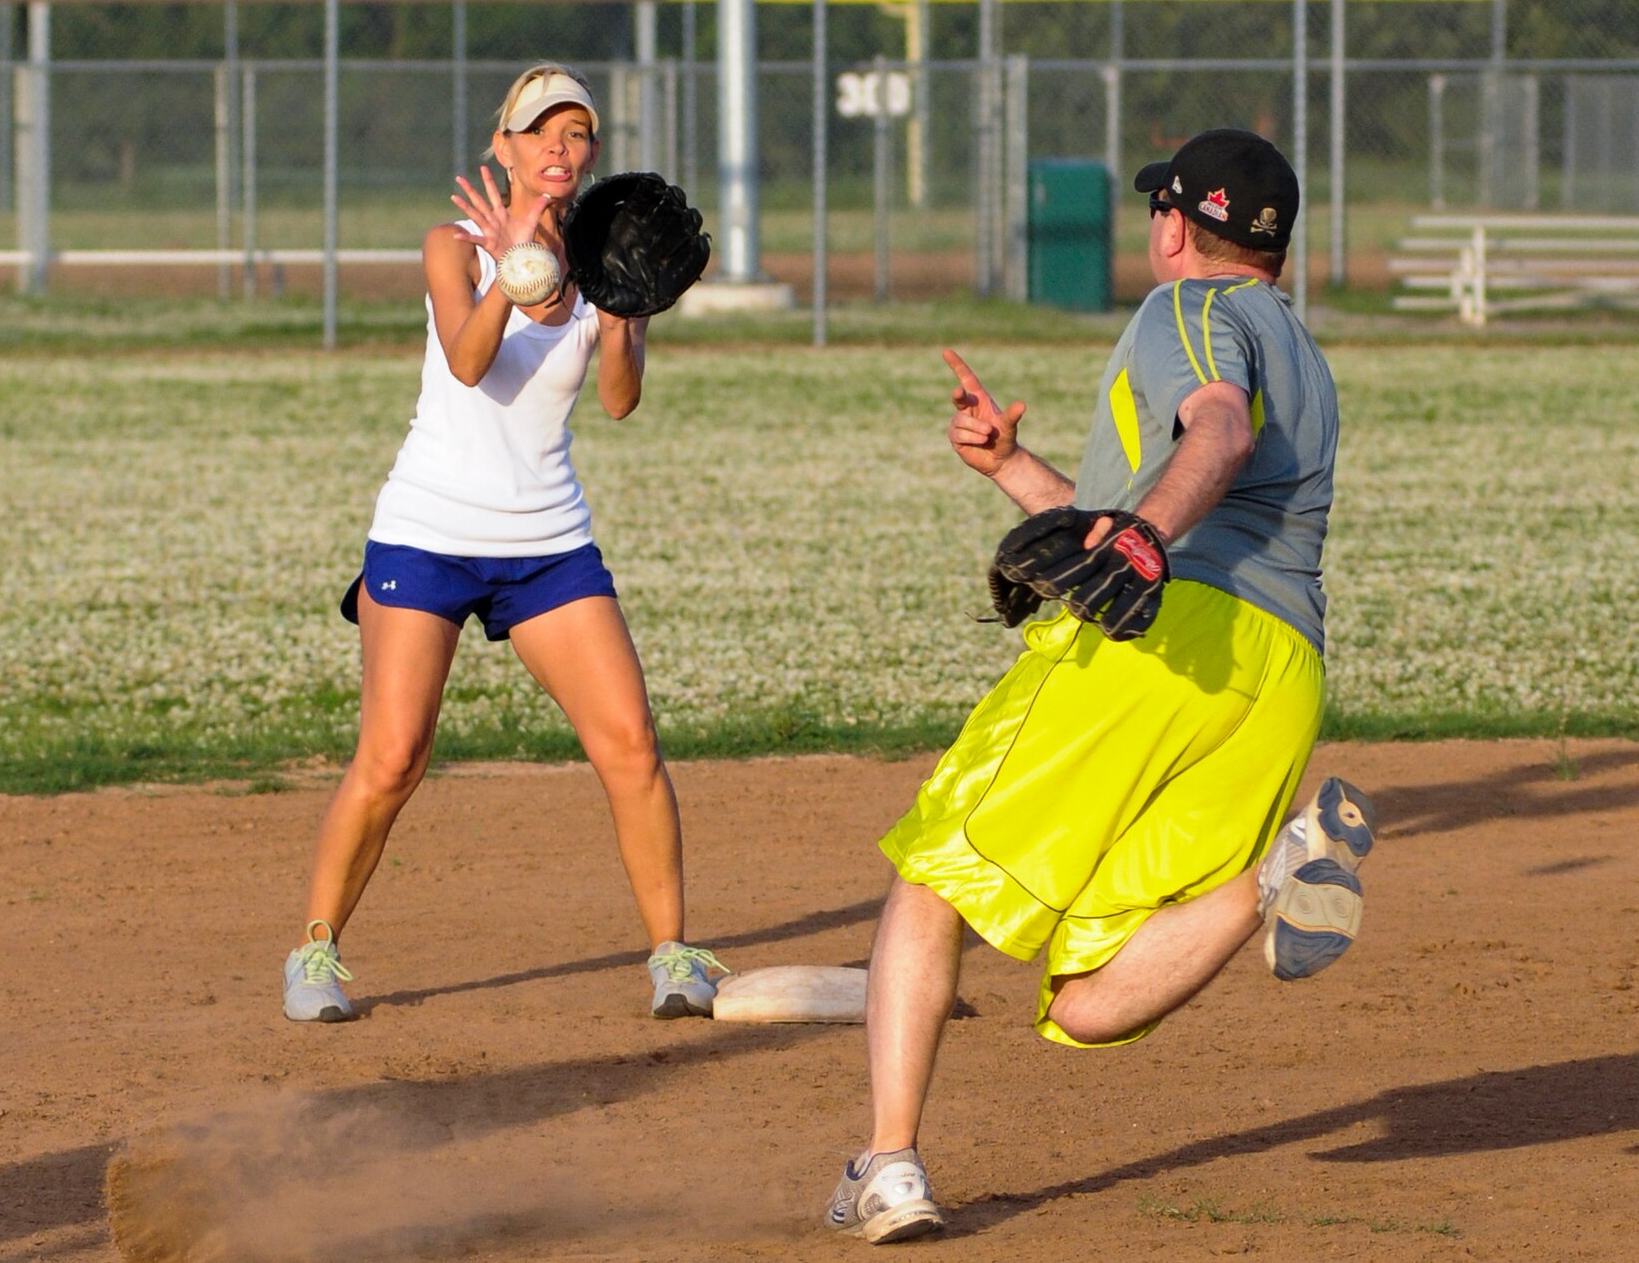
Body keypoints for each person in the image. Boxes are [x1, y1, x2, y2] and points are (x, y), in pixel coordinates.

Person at [821, 129, 1376, 1243]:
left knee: (933, 879)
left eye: (1156, 213)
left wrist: (1135, 551)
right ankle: (1277, 876)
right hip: (1275, 670)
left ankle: (886, 1163)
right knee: (1083, 994)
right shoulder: (1299, 347)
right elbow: (1160, 493)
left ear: (1176, 223)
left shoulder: (1185, 313)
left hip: (1158, 634)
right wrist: (1016, 477)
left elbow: (1209, 436)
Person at [282, 64, 727, 1024]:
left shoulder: (608, 258)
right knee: (395, 756)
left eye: (578, 135)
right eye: (542, 133)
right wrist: (511, 265)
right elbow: (471, 358)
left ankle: (672, 955)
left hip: (547, 539)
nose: (561, 150)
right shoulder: (454, 245)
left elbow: (618, 401)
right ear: (507, 149)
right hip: (429, 528)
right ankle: (316, 955)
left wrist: (621, 320)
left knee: (630, 744)